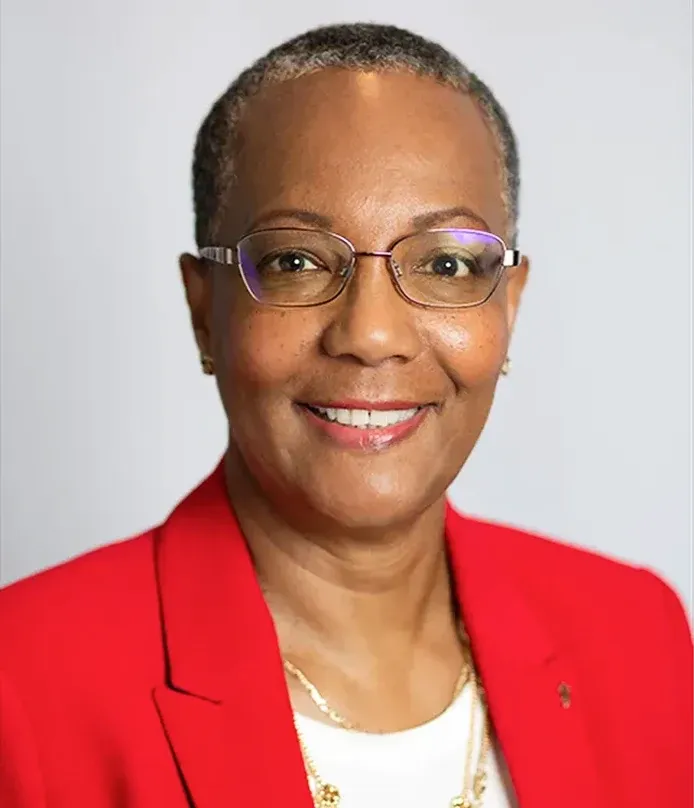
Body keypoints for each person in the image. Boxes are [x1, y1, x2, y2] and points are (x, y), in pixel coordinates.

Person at [0, 22, 691, 808]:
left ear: (508, 307)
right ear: (203, 313)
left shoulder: (638, 635)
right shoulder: (21, 685)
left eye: (446, 263)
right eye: (295, 261)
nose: (370, 334)